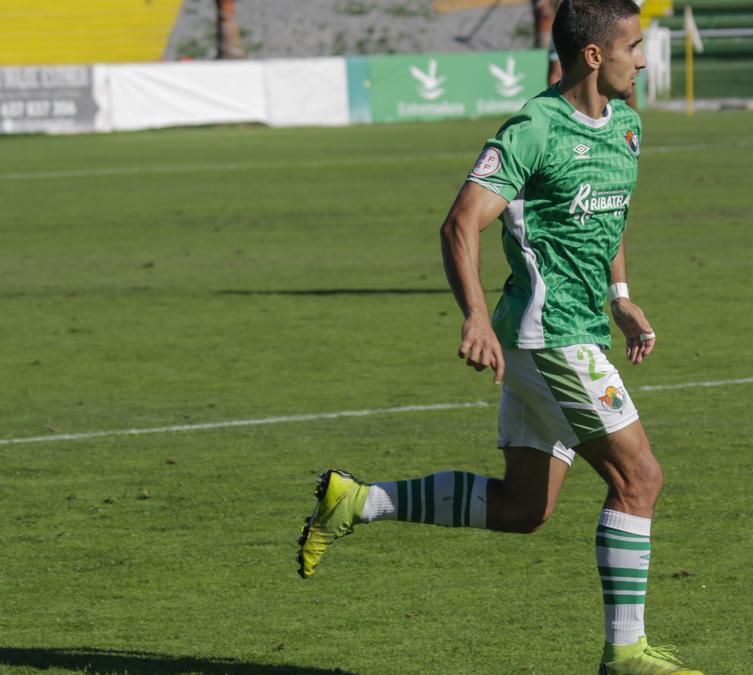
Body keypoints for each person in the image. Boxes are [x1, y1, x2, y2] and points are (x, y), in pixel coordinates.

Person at [295, 0, 699, 672]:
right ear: (594, 55)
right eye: (633, 46)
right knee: (640, 478)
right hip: (548, 338)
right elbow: (460, 223)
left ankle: (359, 500)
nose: (643, 59)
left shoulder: (626, 124)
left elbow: (610, 209)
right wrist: (475, 316)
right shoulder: (532, 129)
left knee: (522, 507)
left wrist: (621, 297)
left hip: (575, 331)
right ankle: (625, 652)